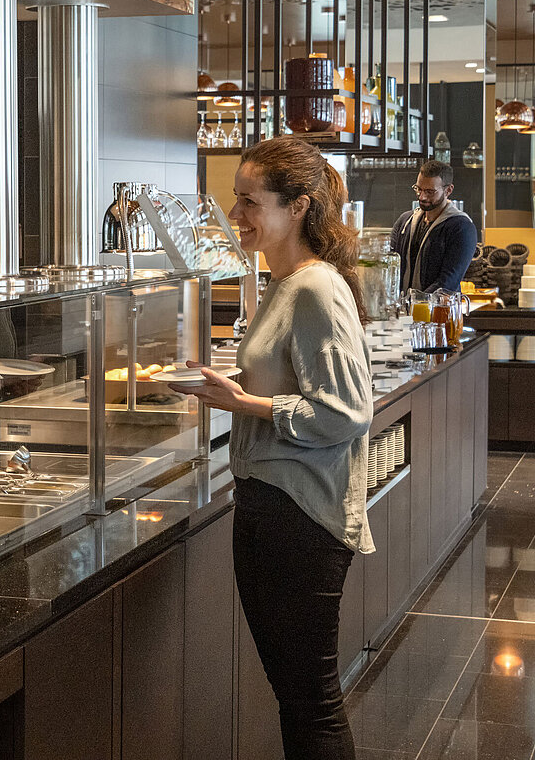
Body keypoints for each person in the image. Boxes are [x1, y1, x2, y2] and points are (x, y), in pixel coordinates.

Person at [188, 137, 372, 760]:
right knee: (299, 700)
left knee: (311, 704)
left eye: (249, 201)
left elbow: (346, 410)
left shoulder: (314, 287)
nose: (236, 214)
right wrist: (238, 388)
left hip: (300, 518)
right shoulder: (286, 280)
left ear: (298, 207)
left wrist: (246, 406)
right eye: (235, 198)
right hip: (275, 507)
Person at [389, 159, 477, 293]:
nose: (422, 197)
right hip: (403, 311)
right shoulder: (404, 222)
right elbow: (391, 268)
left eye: (430, 192)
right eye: (419, 189)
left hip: (440, 311)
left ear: (448, 190)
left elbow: (447, 283)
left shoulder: (462, 227)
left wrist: (417, 305)